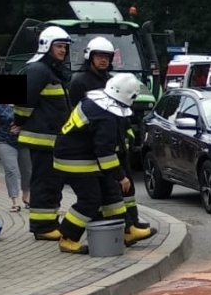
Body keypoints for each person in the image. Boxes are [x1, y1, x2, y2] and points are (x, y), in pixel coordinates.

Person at [68, 40, 155, 244]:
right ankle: (121, 228)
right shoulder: (79, 81)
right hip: (100, 147)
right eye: (100, 56)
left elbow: (121, 112)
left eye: (107, 57)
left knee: (127, 187)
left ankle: (132, 222)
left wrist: (127, 135)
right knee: (112, 187)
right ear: (90, 57)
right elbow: (77, 113)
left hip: (117, 143)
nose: (104, 60)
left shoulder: (111, 79)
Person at [52, 74, 139, 254]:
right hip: (75, 159)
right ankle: (67, 238)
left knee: (110, 192)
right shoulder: (105, 116)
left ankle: (127, 230)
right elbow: (105, 152)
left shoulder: (96, 102)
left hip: (80, 155)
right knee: (90, 200)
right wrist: (121, 176)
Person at [17, 26, 74, 239]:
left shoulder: (53, 70)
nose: (63, 51)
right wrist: (19, 121)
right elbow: (24, 100)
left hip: (54, 139)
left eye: (65, 47)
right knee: (44, 182)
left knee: (54, 182)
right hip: (42, 138)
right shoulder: (38, 70)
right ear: (46, 46)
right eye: (59, 46)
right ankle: (42, 228)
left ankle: (50, 222)